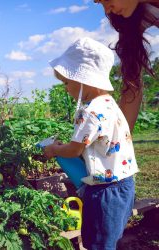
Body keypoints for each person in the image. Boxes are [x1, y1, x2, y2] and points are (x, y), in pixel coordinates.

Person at [44, 37, 138, 250]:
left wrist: (53, 150)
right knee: (109, 240)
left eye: (67, 82)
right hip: (124, 186)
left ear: (83, 79)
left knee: (98, 243)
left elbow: (75, 149)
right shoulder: (109, 104)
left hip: (105, 192)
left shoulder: (89, 111)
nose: (65, 88)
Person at [94, 0, 159, 132]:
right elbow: (132, 87)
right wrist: (119, 142)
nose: (107, 10)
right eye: (99, 3)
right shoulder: (129, 20)